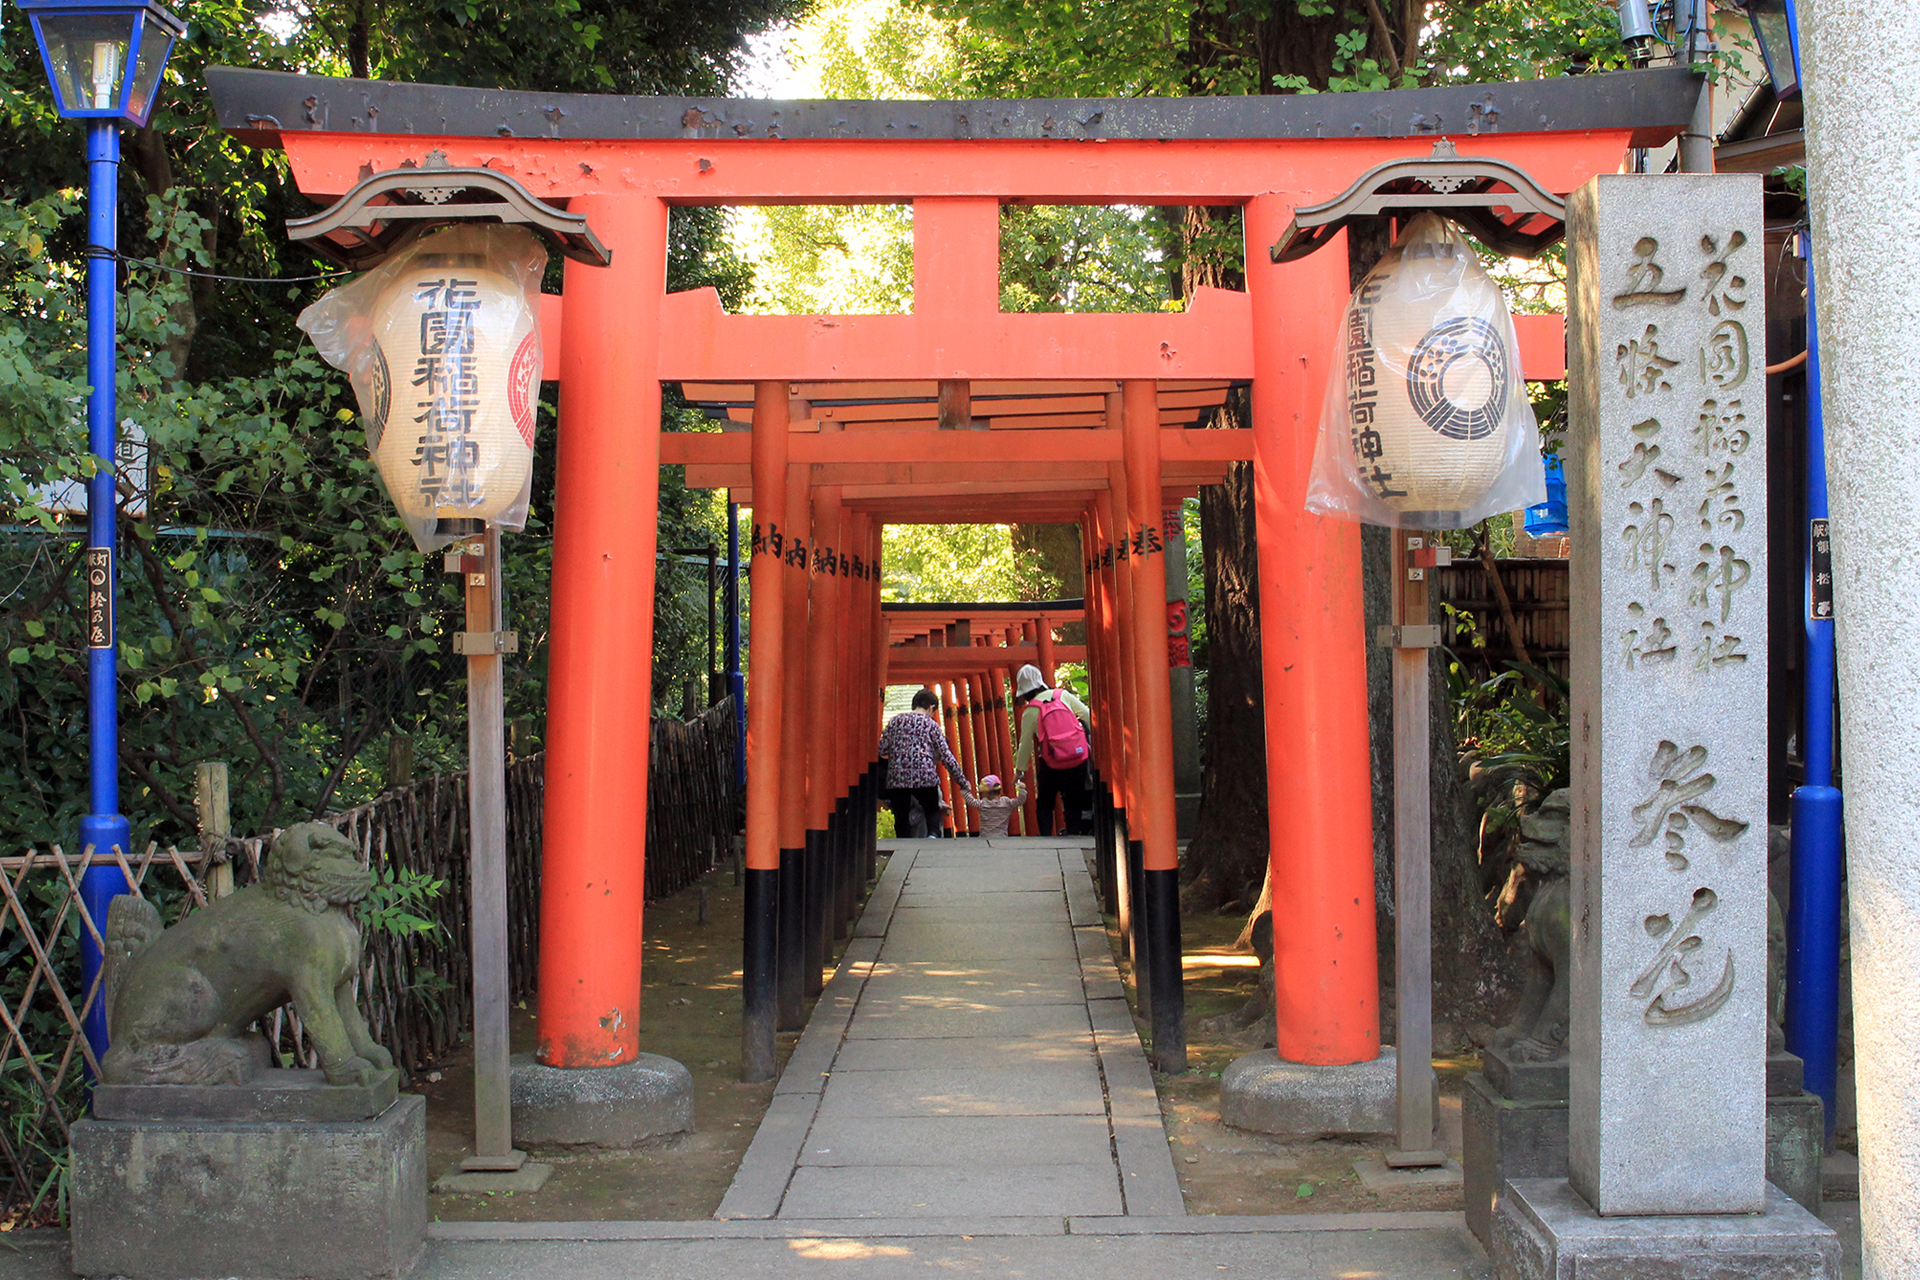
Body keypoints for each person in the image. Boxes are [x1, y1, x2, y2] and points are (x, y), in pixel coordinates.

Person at [878, 687, 971, 839]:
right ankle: (933, 835)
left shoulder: (895, 721)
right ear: (931, 707)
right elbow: (946, 756)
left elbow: (882, 748)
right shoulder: (931, 725)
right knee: (932, 808)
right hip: (924, 775)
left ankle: (903, 843)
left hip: (898, 777)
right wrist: (962, 782)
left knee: (901, 815)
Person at [1011, 663, 1092, 837]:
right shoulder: (1062, 695)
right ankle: (1074, 835)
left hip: (1052, 762)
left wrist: (1020, 771)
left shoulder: (1031, 709)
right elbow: (1086, 714)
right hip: (1077, 756)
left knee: (1045, 803)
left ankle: (1046, 838)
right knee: (1073, 800)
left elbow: (1025, 743)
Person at [962, 773, 1028, 840]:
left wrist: (966, 790)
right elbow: (1020, 801)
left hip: (985, 837)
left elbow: (970, 800)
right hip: (1002, 837)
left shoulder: (983, 804)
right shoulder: (1007, 803)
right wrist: (1022, 789)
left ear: (986, 793)